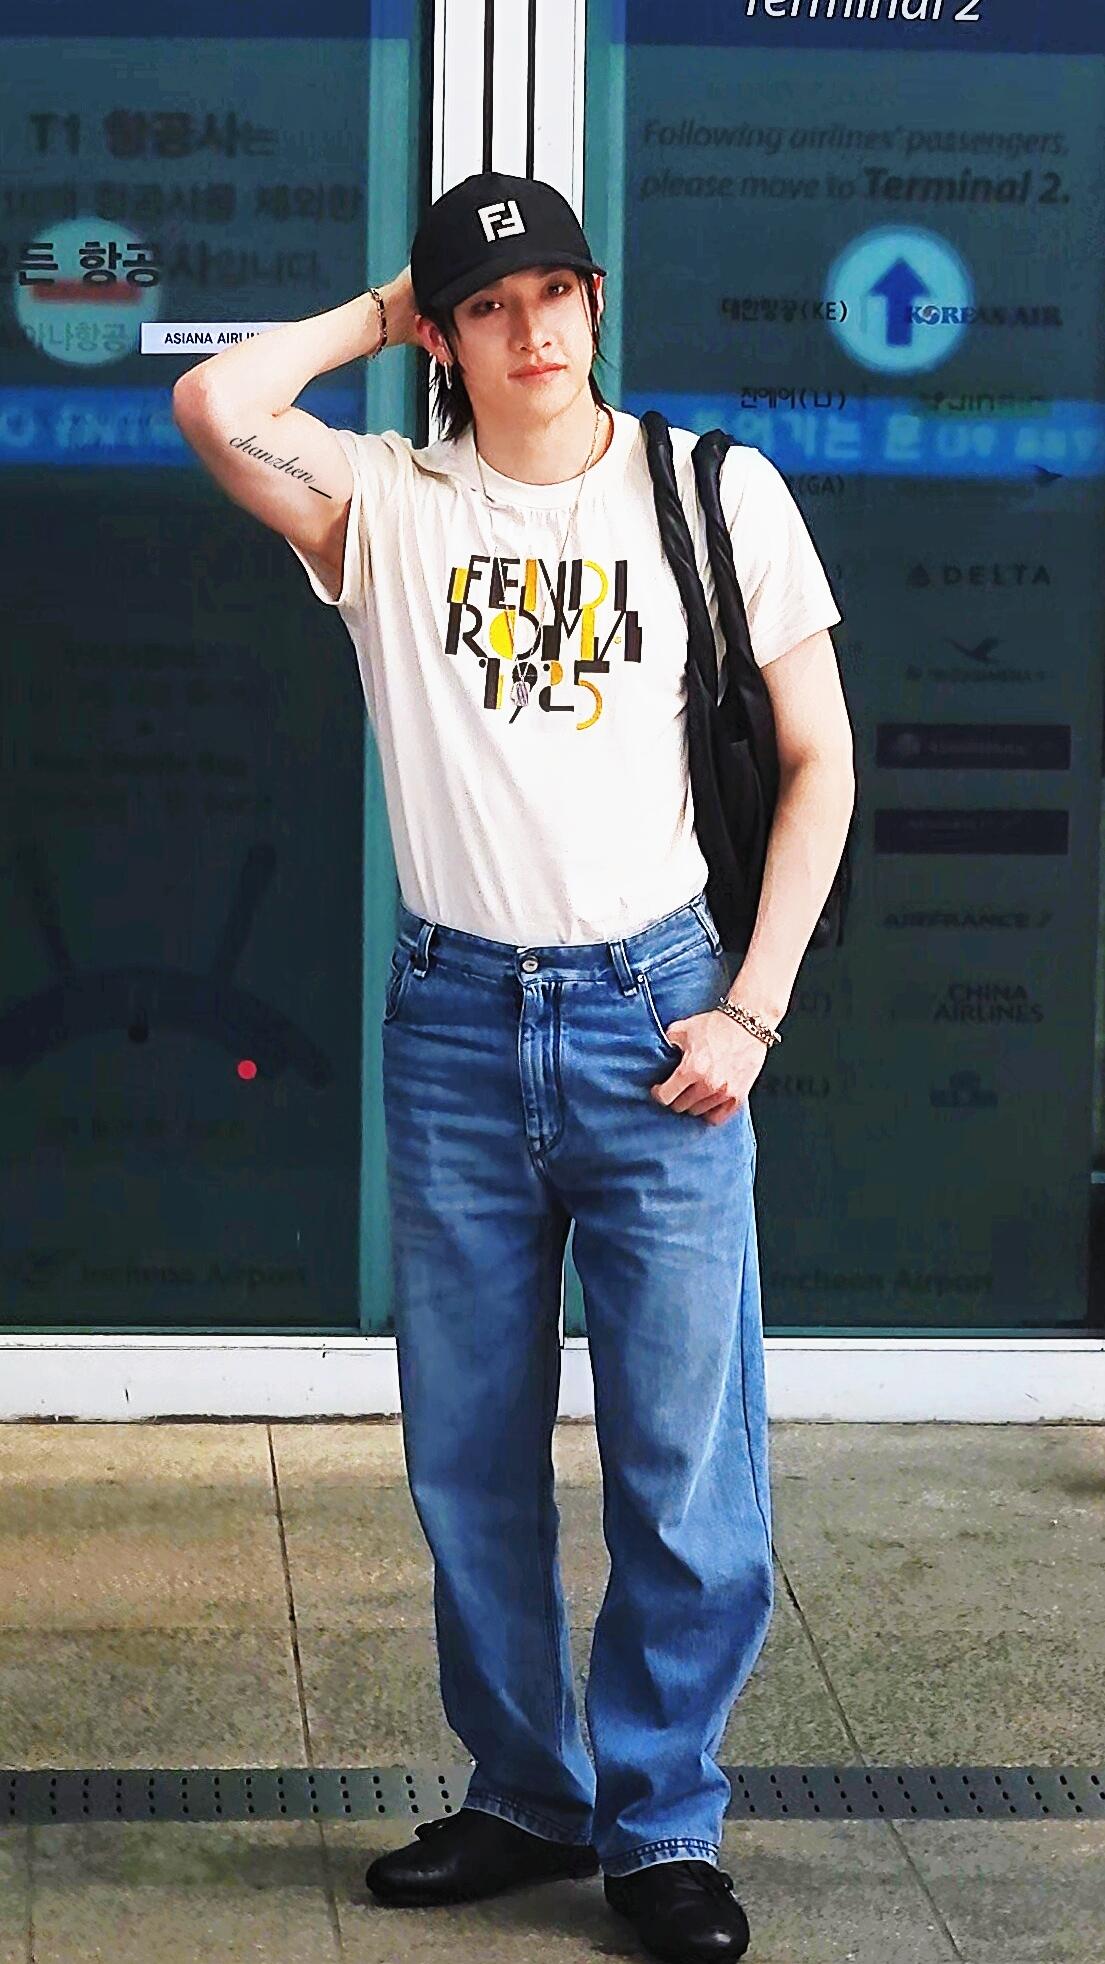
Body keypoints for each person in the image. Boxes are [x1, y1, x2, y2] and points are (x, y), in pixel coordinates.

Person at [172, 170, 854, 1964]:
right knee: (467, 1460)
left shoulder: (711, 492)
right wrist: (378, 309)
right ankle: (525, 1794)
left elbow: (821, 760)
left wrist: (751, 1010)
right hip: (457, 1025)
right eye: (487, 304)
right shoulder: (387, 507)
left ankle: (662, 1822)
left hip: (659, 1015)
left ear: (595, 299)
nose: (531, 327)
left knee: (681, 1464)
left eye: (553, 289)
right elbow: (215, 405)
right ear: (444, 334)